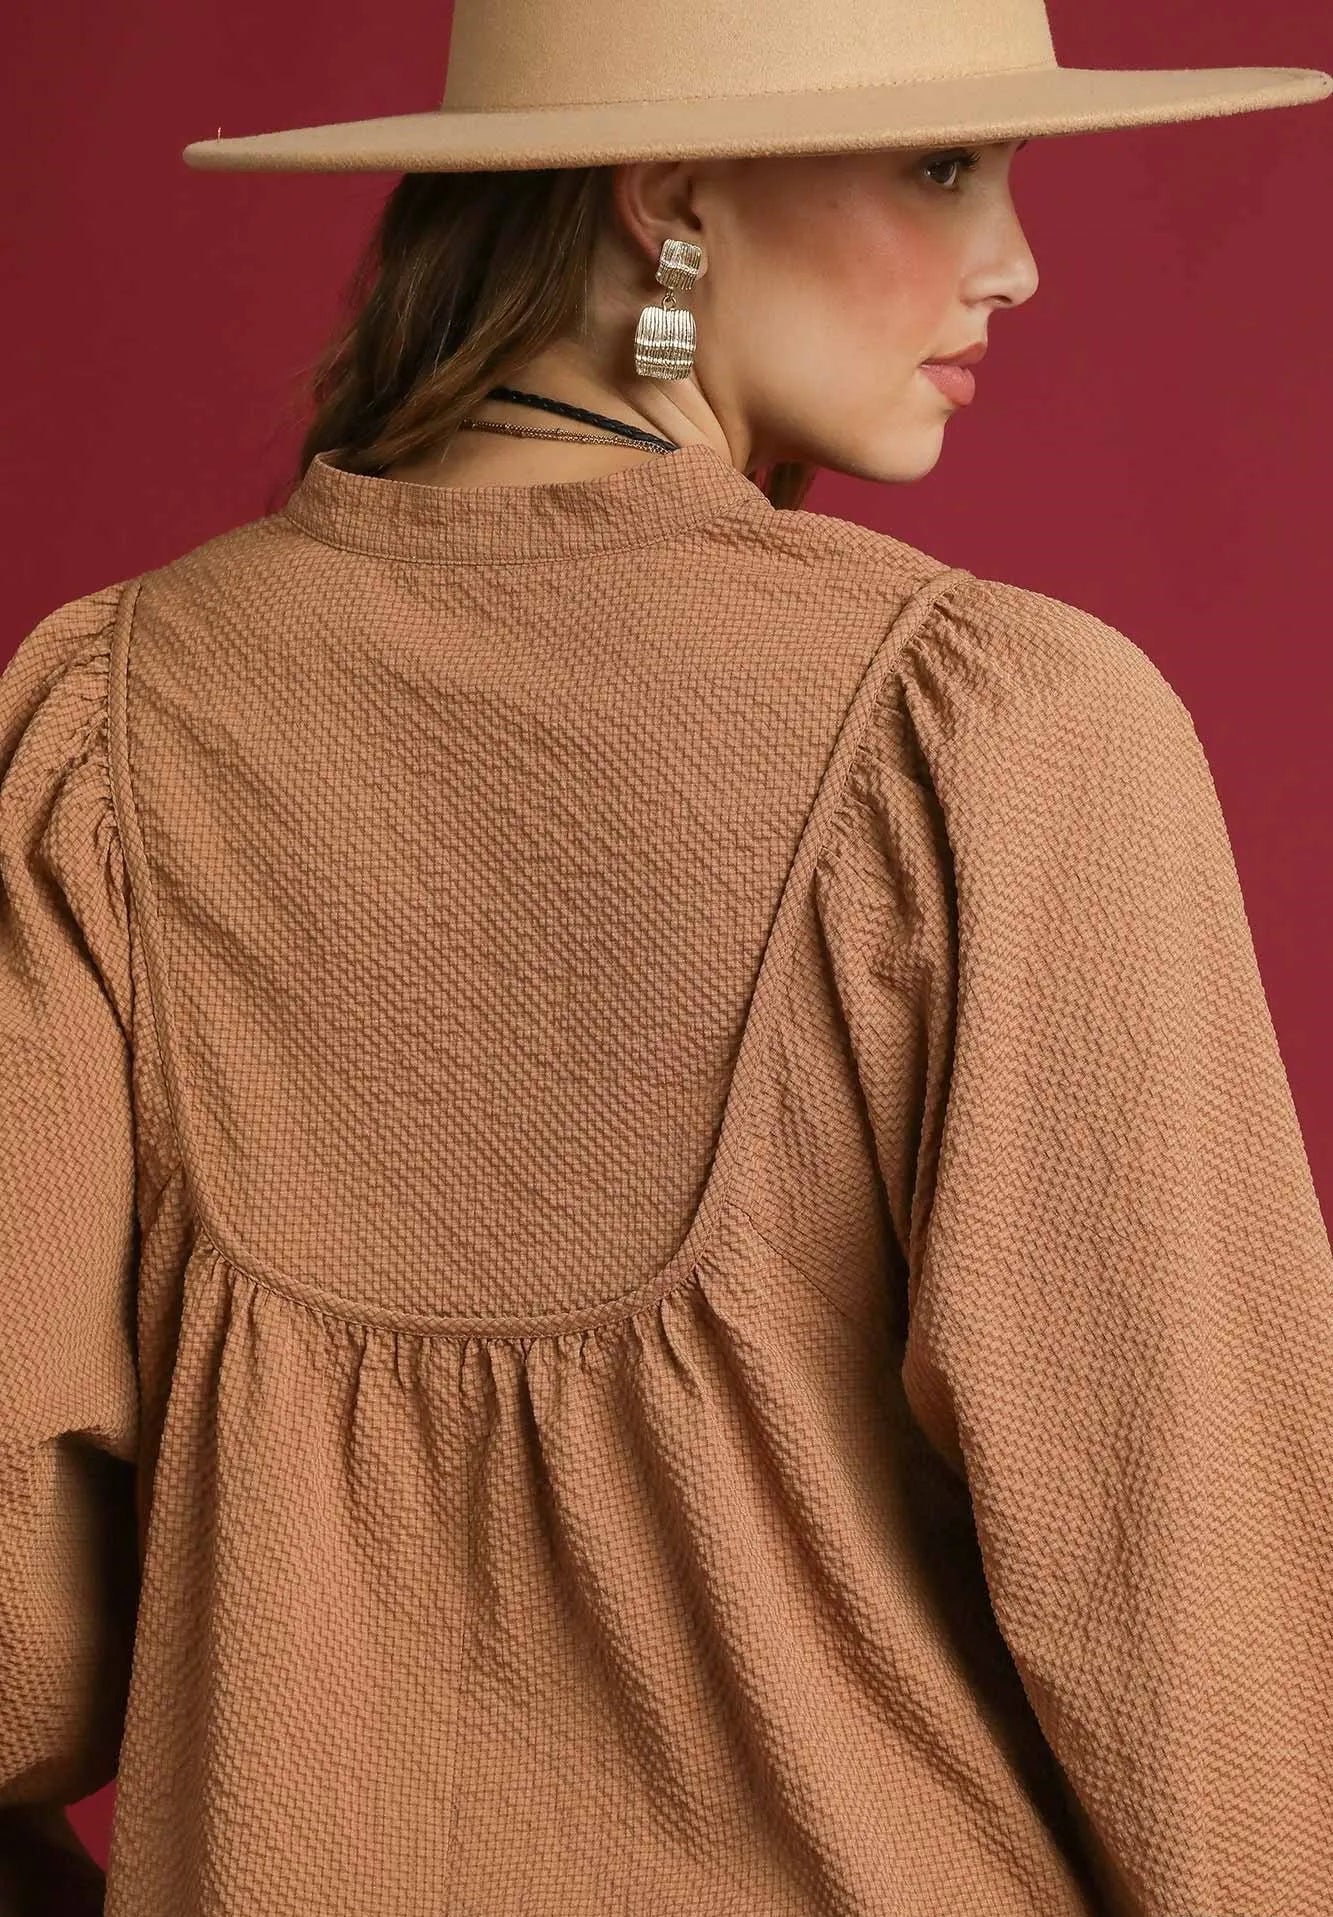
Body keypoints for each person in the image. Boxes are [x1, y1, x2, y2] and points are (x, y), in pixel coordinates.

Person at [2, 0, 1330, 1912]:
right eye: (943, 165)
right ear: (667, 199)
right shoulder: (995, 731)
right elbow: (1216, 1630)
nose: (1015, 261)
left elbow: (16, 1654)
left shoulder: (96, 732)